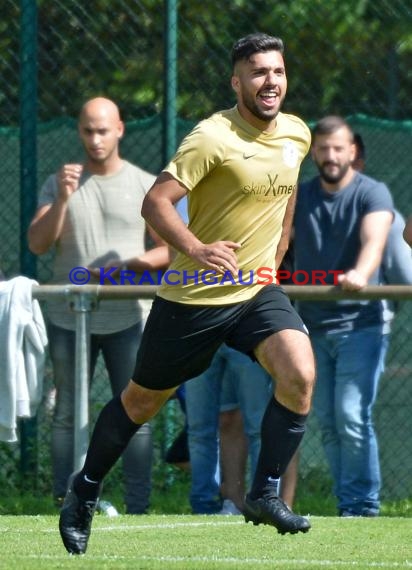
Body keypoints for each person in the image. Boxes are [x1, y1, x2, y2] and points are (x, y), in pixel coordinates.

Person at [58, 33, 316, 555]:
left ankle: (264, 492)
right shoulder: (212, 136)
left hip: (252, 293)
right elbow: (155, 203)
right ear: (237, 81)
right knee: (140, 401)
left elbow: (286, 201)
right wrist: (196, 248)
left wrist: (273, 263)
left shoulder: (297, 133)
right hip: (194, 298)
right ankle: (83, 491)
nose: (271, 82)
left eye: (278, 72)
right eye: (259, 72)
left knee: (300, 373)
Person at [28, 97, 170, 514]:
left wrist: (125, 268)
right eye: (88, 130)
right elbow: (37, 243)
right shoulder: (60, 184)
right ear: (79, 131)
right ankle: (64, 502)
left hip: (129, 317)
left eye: (103, 130)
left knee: (137, 412)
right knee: (68, 413)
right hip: (68, 318)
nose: (95, 139)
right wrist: (64, 199)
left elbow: (170, 252)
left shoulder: (145, 183)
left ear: (120, 130)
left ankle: (138, 507)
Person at [293, 116, 394, 517]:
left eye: (339, 148)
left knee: (352, 415)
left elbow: (375, 239)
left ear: (352, 151)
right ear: (313, 152)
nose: (331, 156)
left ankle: (362, 507)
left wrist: (361, 273)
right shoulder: (300, 195)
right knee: (329, 423)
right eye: (323, 148)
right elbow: (279, 243)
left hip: (362, 323)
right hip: (313, 324)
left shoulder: (373, 193)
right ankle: (347, 505)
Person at [185, 344, 272, 515]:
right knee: (200, 430)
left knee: (260, 428)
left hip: (247, 335)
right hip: (201, 335)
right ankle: (204, 506)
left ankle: (264, 502)